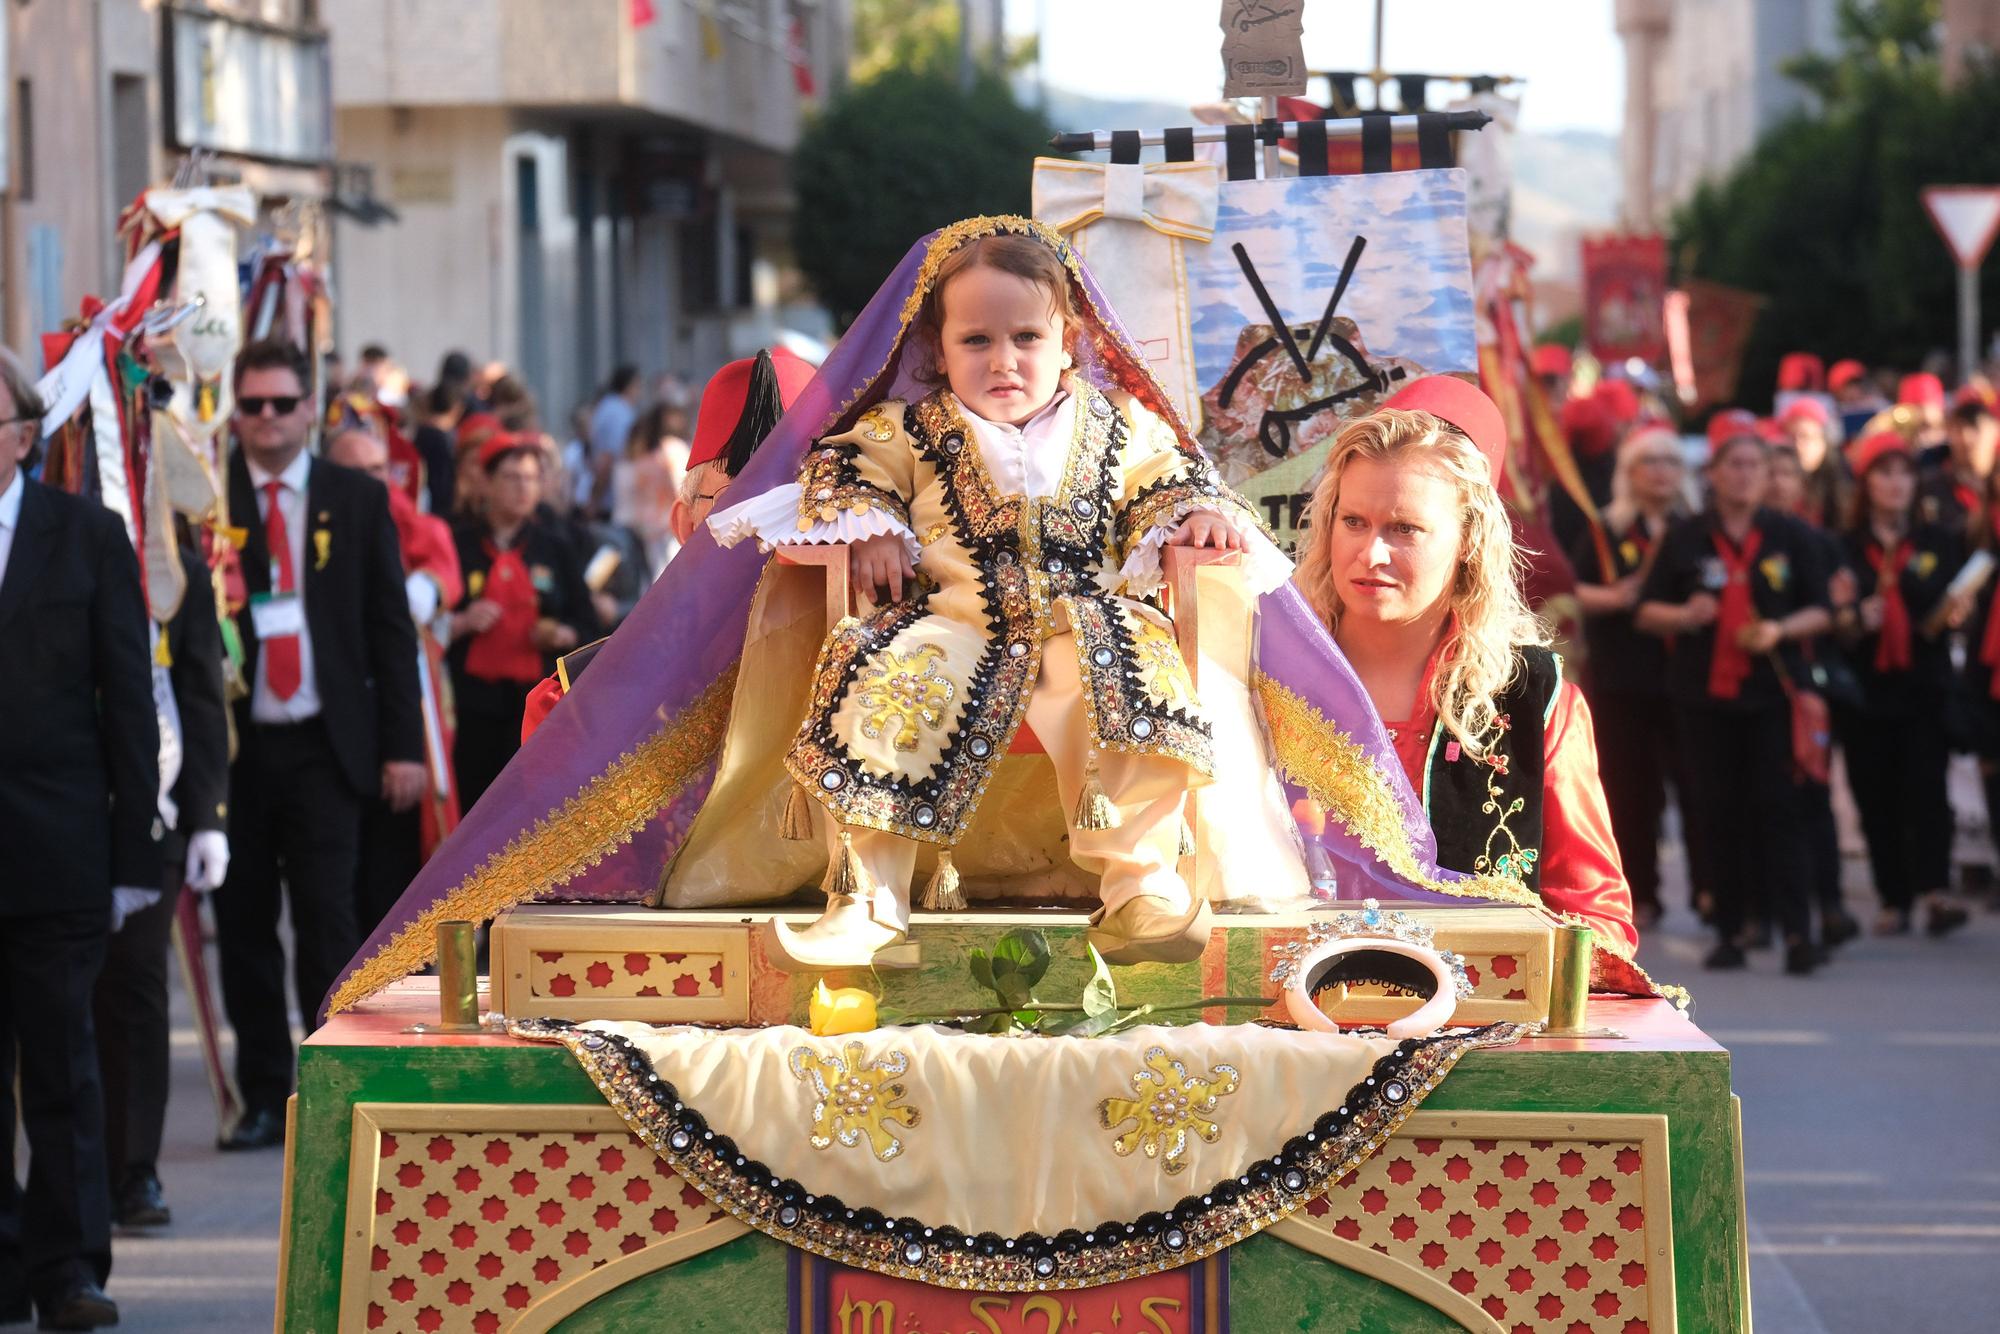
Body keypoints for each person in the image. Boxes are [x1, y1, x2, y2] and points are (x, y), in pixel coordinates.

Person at [711, 223, 1286, 971]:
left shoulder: (1121, 426)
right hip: (955, 624)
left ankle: (1142, 885)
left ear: (1068, 340)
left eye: (1026, 338)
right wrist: (874, 522)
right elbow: (843, 472)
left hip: (1085, 619)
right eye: (976, 341)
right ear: (936, 349)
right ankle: (869, 900)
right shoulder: (911, 428)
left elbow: (1171, 480)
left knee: (1130, 667)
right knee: (886, 678)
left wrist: (1197, 514)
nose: (1004, 360)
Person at [1293, 376, 1638, 954]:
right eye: (1353, 521)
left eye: (1405, 529)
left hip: (1472, 1030)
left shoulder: (1535, 699)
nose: (1370, 552)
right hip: (1287, 1024)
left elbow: (1595, 919)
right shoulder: (1268, 671)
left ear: (1469, 541)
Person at [216, 339, 424, 1151]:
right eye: (251, 405)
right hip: (235, 745)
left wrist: (402, 746)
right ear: (236, 413)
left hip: (325, 744)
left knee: (327, 916)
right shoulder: (208, 501)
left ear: (309, 409)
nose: (266, 420)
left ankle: (327, 1077)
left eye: (280, 403)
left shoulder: (352, 497)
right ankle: (263, 1090)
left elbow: (388, 629)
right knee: (242, 924)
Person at [0, 349, 160, 1329]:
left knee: (62, 1065)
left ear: (21, 435)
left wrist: (136, 853)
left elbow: (128, 701)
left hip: (59, 849)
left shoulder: (85, 536)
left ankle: (68, 1268)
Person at [520, 347, 818, 741]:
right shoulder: (577, 706)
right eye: (740, 503)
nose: (771, 530)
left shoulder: (882, 678)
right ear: (686, 525)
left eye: (800, 503)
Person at [1636, 424, 1832, 974]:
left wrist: (1781, 629)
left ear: (1769, 476)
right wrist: (1684, 615)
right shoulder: (1687, 536)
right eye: (1735, 465)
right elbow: (1646, 610)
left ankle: (1796, 930)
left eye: (1755, 465)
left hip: (1772, 694)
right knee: (1717, 811)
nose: (1745, 475)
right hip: (1703, 697)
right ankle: (1729, 929)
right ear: (1714, 475)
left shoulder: (1790, 535)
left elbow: (1824, 609)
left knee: (1780, 809)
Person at [89, 520, 229, 1237]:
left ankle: (133, 1167)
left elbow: (200, 681)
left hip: (157, 801)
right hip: (57, 800)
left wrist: (207, 813)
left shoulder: (167, 544)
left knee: (136, 986)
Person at [325, 419, 465, 935]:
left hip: (410, 710)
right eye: (355, 471)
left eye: (378, 469)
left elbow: (441, 567)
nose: (371, 481)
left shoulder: (417, 524)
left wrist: (428, 586)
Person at [1832, 430, 1968, 937]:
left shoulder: (1938, 541)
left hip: (1923, 687)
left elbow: (1952, 608)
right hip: (1864, 691)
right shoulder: (1844, 547)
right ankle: (1894, 897)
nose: (1895, 484)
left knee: (1928, 790)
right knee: (1875, 795)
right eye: (1883, 474)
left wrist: (1956, 616)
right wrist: (1852, 619)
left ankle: (1935, 889)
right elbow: (1834, 621)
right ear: (1866, 483)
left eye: (1903, 473)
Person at [1567, 423, 1691, 929]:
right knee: (1632, 792)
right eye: (1650, 462)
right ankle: (1642, 893)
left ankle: (1712, 894)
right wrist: (1616, 598)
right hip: (1623, 675)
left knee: (1697, 789)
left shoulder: (1694, 526)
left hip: (1689, 677)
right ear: (1629, 472)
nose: (1662, 472)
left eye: (1670, 462)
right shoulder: (1606, 528)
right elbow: (1571, 590)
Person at [447, 433, 599, 809]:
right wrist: (464, 620)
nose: (523, 488)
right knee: (475, 808)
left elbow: (588, 624)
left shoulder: (554, 546)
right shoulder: (458, 544)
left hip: (536, 705)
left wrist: (563, 633)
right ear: (487, 482)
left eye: (531, 478)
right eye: (512, 477)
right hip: (472, 706)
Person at [1767, 446, 1862, 950]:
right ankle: (1771, 914)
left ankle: (1828, 905)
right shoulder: (1747, 538)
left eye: (1787, 472)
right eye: (1771, 472)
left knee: (1813, 801)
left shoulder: (1817, 541)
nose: (1779, 482)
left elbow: (1843, 616)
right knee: (1771, 805)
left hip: (1809, 688)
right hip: (1756, 692)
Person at [612, 401, 689, 576]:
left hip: (644, 528)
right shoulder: (673, 449)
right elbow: (683, 490)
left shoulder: (642, 459)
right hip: (668, 529)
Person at [1918, 397, 2000, 541]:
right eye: (1959, 429)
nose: (1966, 438)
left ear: (1995, 430)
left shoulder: (1995, 484)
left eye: (1976, 428)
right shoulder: (1929, 485)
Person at [586, 366, 643, 517]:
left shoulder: (610, 408)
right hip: (611, 499)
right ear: (630, 385)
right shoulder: (617, 412)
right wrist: (595, 499)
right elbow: (608, 457)